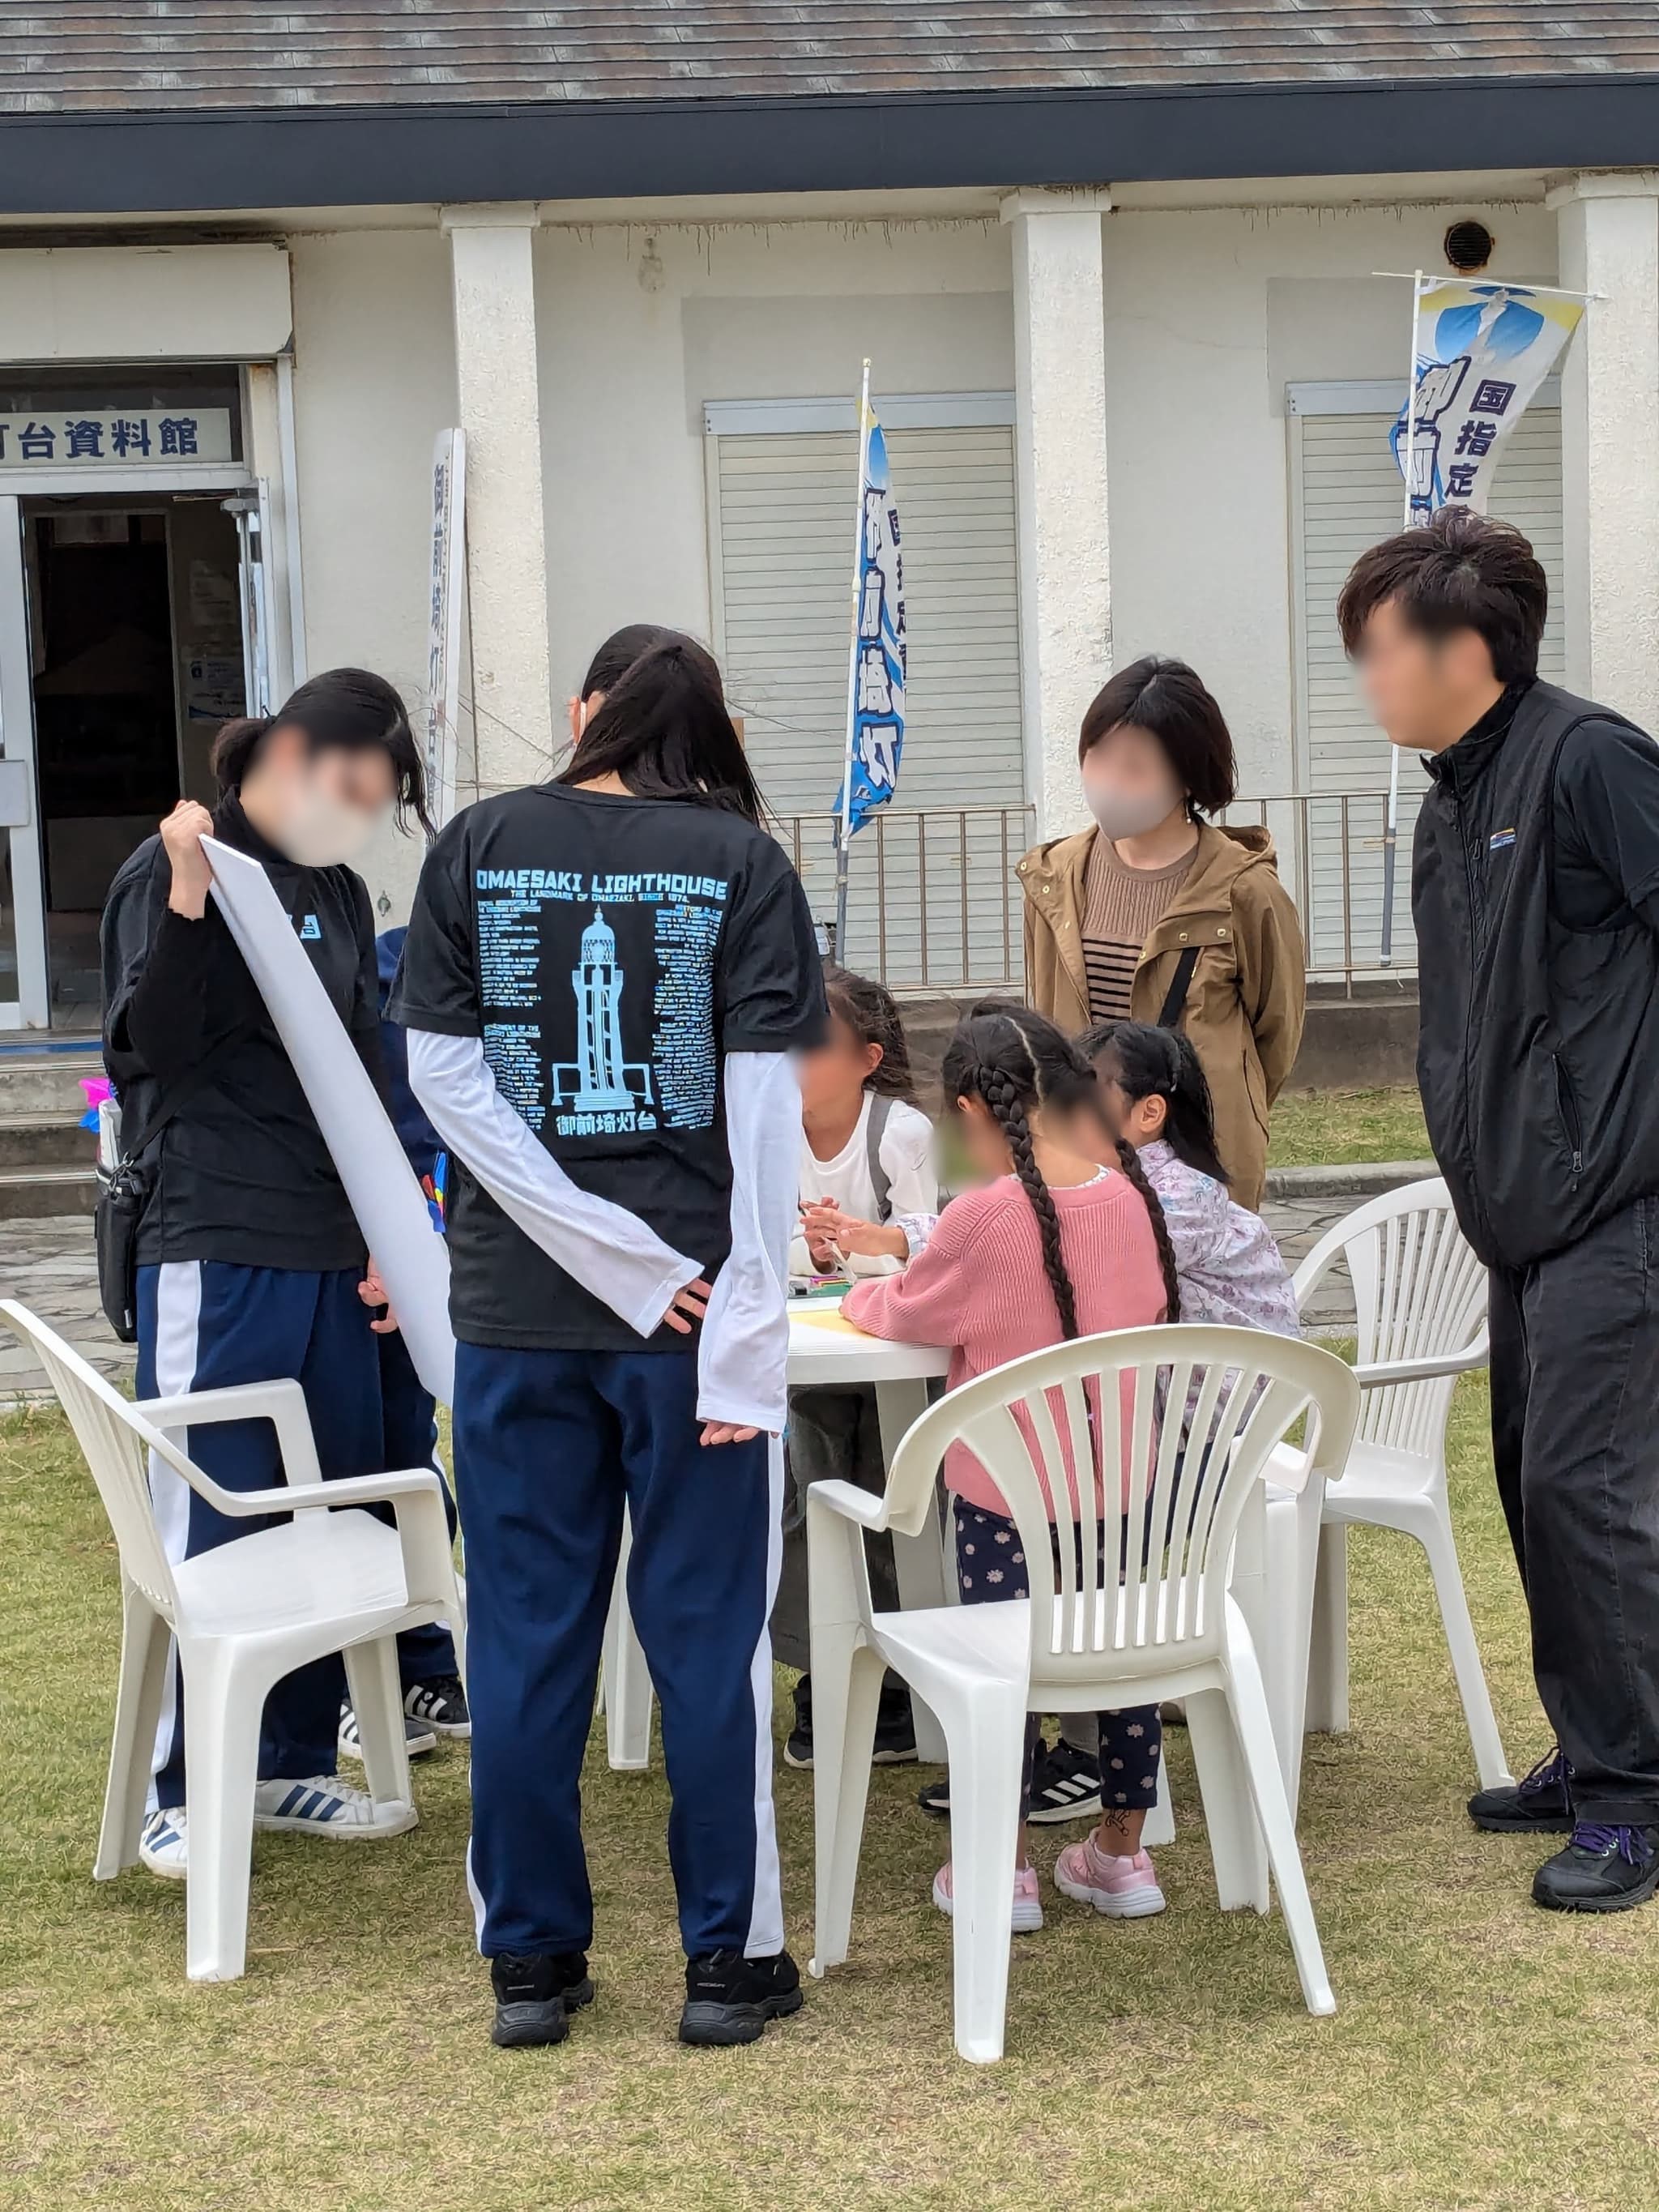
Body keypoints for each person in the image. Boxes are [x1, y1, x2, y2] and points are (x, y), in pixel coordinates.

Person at [390, 629, 827, 2047]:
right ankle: (725, 1965)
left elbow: (449, 1088)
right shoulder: (741, 861)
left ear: (590, 711)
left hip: (517, 1322)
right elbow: (763, 1113)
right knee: (705, 1643)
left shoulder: (475, 839)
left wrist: (597, 1256)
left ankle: (529, 1967)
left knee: (520, 1638)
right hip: (689, 1322)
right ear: (706, 728)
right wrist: (710, 1293)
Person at [1338, 505, 1659, 1913]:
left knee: (1583, 1491)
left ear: (1460, 644)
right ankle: (1592, 1750)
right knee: (1535, 1480)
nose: (1366, 679)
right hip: (1519, 1213)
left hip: (1620, 1201)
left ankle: (1631, 1797)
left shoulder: (1587, 760)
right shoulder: (1451, 794)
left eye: (1375, 650)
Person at [100, 668, 433, 1878]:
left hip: (328, 1248)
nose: (357, 814)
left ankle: (289, 1759)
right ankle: (180, 1786)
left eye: (377, 800)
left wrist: (392, 1236)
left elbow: (363, 1074)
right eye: (349, 786)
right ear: (289, 756)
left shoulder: (337, 892)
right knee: (217, 1503)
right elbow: (154, 1048)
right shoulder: (178, 868)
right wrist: (190, 893)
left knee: (328, 1501)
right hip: (214, 1239)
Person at [843, 1006, 1180, 1928]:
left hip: (1004, 1503)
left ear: (967, 1110)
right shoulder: (1129, 1196)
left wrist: (860, 1290)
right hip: (1123, 1497)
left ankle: (1005, 1868)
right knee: (1121, 1661)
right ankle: (1121, 1852)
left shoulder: (978, 1219)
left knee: (1001, 1671)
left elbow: (902, 1312)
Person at [1017, 655, 1305, 1211]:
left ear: (1187, 776)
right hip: (1080, 1147)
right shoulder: (1052, 880)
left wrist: (1222, 1104)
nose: (1109, 783)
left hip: (1198, 1158)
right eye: (1097, 759)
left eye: (1135, 769)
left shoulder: (1243, 891)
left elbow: (1276, 1034)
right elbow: (1045, 1016)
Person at [774, 964, 937, 1770]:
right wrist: (813, 1245)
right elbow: (755, 1241)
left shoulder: (898, 1132)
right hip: (803, 1357)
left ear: (867, 1058)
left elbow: (927, 1235)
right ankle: (821, 1673)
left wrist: (875, 1244)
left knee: (894, 1497)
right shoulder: (765, 1124)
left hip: (890, 1350)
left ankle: (903, 1680)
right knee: (806, 1499)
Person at [335, 923, 471, 1766]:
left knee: (411, 1455)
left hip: (451, 1254)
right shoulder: (380, 971)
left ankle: (421, 1657)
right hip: (363, 1251)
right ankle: (354, 1684)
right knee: (354, 1466)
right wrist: (383, 1240)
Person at [1085, 1020, 1299, 1340]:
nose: (1065, 1117)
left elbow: (1089, 1271)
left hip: (1231, 1386)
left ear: (1149, 1113)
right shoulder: (1141, 1181)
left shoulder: (1178, 1196)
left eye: (1085, 1099)